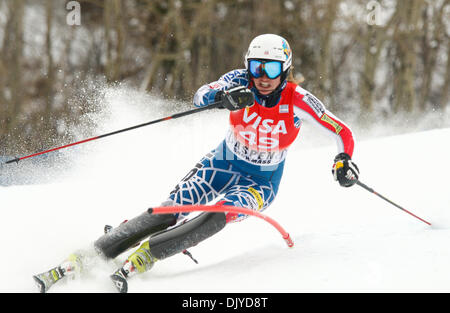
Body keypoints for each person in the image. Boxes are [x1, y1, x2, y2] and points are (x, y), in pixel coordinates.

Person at [33, 34, 359, 293]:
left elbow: (341, 130)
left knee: (218, 215)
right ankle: (94, 252)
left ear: (285, 70)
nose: (262, 77)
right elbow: (203, 93)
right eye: (256, 67)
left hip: (261, 182)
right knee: (169, 210)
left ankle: (147, 256)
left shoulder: (297, 100)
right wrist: (218, 98)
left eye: (271, 69)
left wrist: (343, 160)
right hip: (221, 163)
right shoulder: (239, 80)